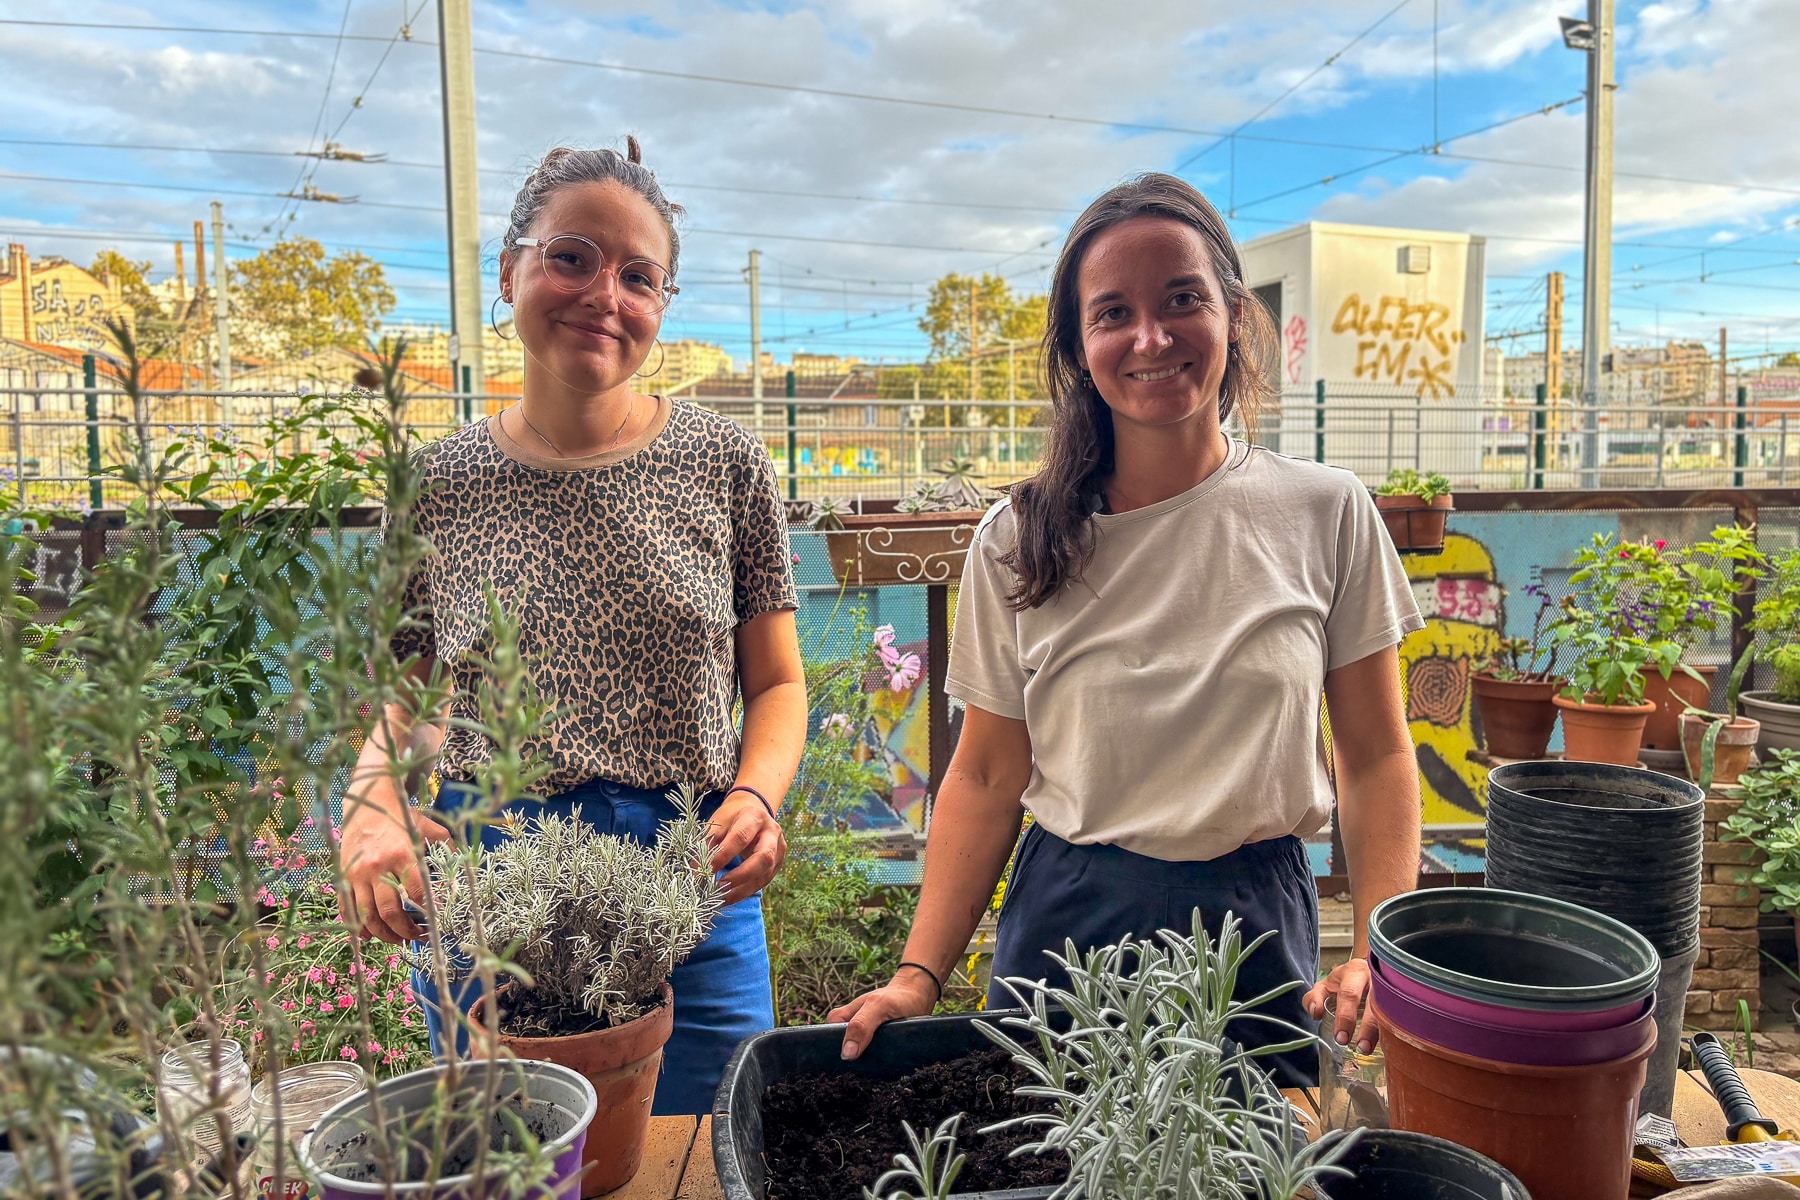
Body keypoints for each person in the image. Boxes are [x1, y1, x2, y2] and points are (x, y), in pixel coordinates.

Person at [830, 173, 1423, 1087]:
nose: (1151, 337)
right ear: (1080, 345)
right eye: (1114, 313)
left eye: (1182, 299)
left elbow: (1377, 755)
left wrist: (1384, 951)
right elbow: (987, 774)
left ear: (1233, 314)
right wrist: (917, 977)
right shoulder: (1020, 541)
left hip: (1254, 930)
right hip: (1069, 926)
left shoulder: (1326, 512)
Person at [335, 138, 807, 1115]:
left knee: (708, 1153)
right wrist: (373, 806)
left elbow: (777, 683)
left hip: (688, 882)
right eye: (571, 256)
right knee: (509, 1155)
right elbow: (407, 694)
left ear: (663, 306)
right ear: (509, 270)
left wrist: (758, 796)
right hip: (492, 883)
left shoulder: (727, 464)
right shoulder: (434, 485)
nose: (605, 293)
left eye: (641, 275)